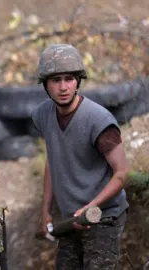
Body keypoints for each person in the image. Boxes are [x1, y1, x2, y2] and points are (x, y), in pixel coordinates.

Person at [31, 44, 130, 269]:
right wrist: (45, 212)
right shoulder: (43, 115)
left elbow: (123, 173)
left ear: (78, 81)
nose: (63, 87)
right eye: (56, 80)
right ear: (45, 84)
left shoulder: (99, 121)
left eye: (69, 79)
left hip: (103, 215)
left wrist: (91, 207)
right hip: (71, 219)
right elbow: (53, 161)